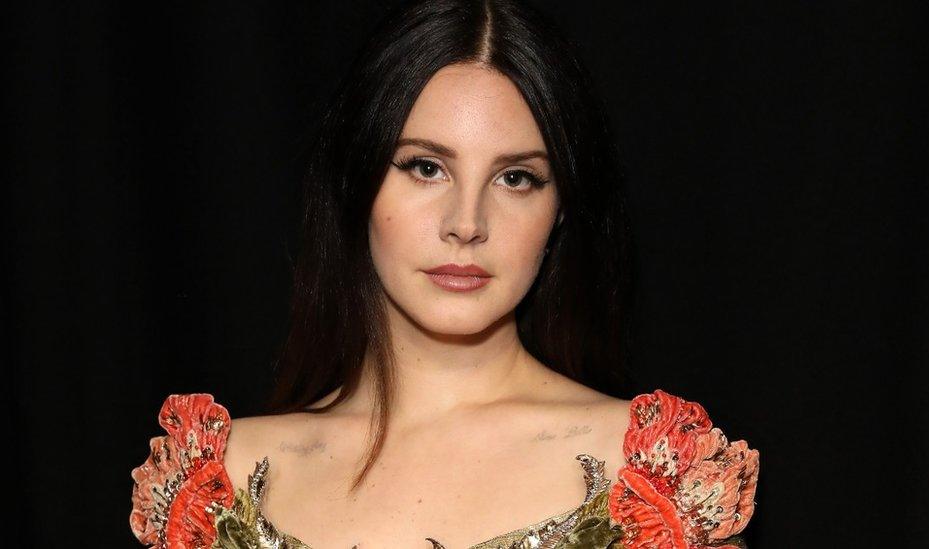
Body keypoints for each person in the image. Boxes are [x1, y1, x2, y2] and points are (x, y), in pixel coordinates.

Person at [129, 1, 759, 548]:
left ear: (560, 210)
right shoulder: (218, 489)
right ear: (357, 180)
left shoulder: (652, 482)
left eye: (516, 178)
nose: (466, 223)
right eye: (426, 167)